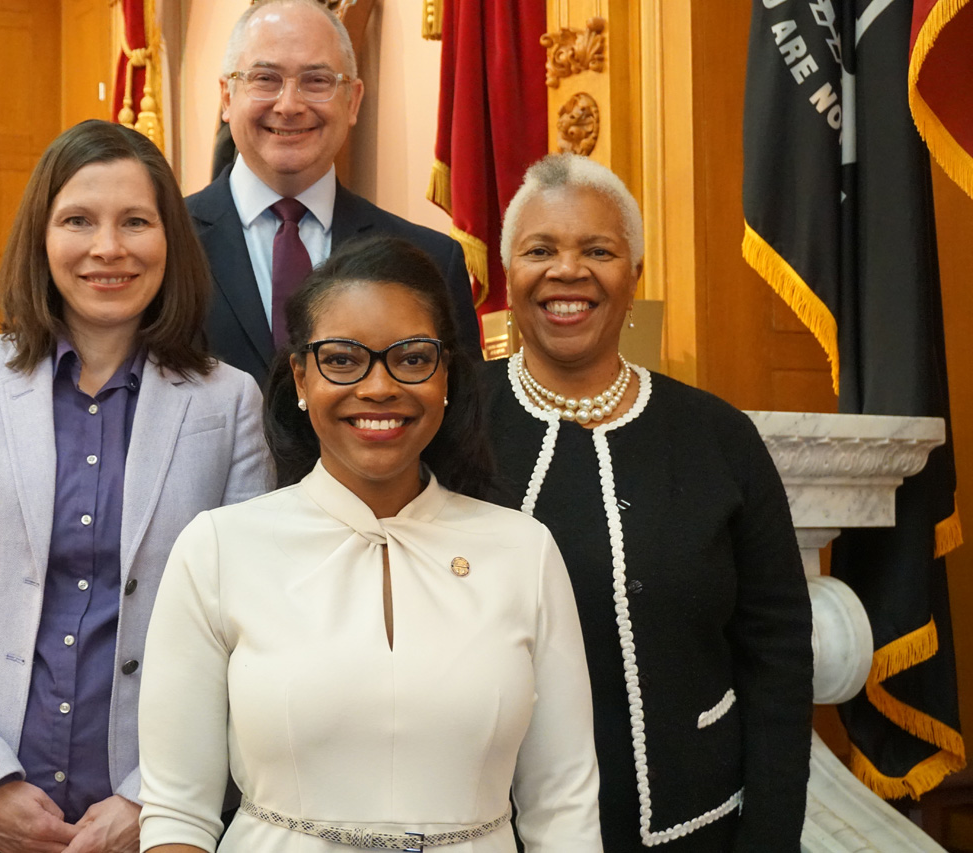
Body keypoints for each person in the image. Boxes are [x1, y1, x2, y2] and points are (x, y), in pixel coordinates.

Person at [0, 120, 273, 853]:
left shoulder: (228, 401)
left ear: (169, 241)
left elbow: (246, 627)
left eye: (136, 222)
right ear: (42, 237)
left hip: (151, 818)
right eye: (78, 220)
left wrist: (153, 794)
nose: (107, 248)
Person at [137, 235, 602, 853]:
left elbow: (563, 808)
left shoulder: (524, 552)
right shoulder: (219, 549)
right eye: (343, 360)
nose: (379, 387)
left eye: (411, 359)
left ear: (445, 379)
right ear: (301, 377)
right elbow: (176, 815)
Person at [483, 153, 813, 852]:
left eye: (597, 250)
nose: (567, 271)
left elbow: (777, 652)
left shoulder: (719, 435)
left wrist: (771, 836)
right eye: (540, 250)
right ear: (508, 275)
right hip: (487, 830)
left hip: (694, 826)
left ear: (634, 277)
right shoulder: (453, 424)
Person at [186, 0, 482, 385]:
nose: (289, 105)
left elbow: (462, 428)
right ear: (227, 97)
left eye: (317, 81)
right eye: (264, 78)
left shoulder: (432, 263)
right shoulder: (164, 246)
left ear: (353, 100)